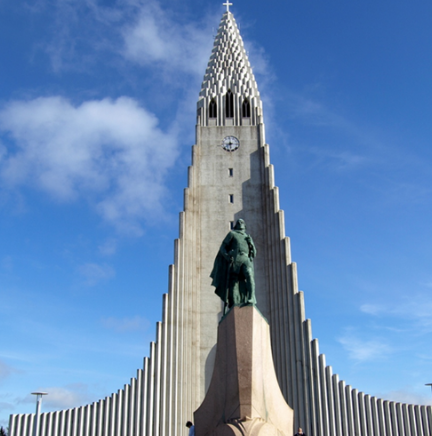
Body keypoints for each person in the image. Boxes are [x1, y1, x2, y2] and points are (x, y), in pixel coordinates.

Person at [210, 219, 256, 313]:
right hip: (235, 259)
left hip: (245, 258)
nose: (240, 223)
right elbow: (223, 247)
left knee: (249, 275)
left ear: (245, 226)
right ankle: (234, 303)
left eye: (242, 222)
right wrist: (227, 256)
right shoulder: (232, 234)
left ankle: (251, 297)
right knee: (233, 282)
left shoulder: (248, 237)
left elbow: (254, 254)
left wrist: (251, 243)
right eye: (238, 222)